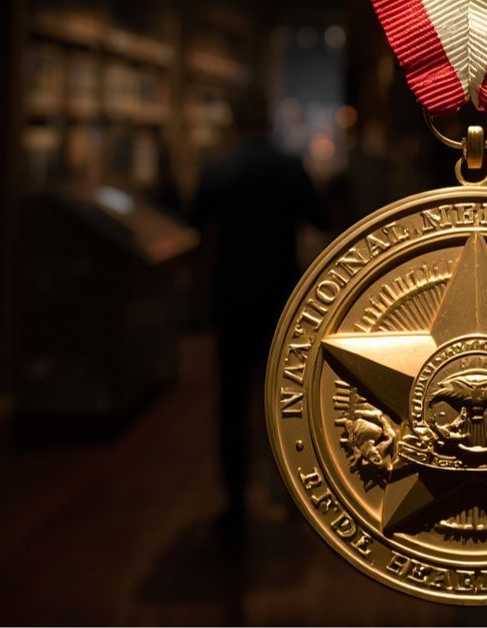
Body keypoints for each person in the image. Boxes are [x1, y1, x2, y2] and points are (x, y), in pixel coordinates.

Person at [189, 86, 330, 531]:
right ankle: (291, 497)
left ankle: (235, 505)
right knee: (285, 402)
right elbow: (321, 219)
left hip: (232, 301)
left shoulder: (219, 168)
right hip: (279, 301)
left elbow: (193, 222)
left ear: (233, 118)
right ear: (268, 120)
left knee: (232, 405)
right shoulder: (288, 167)